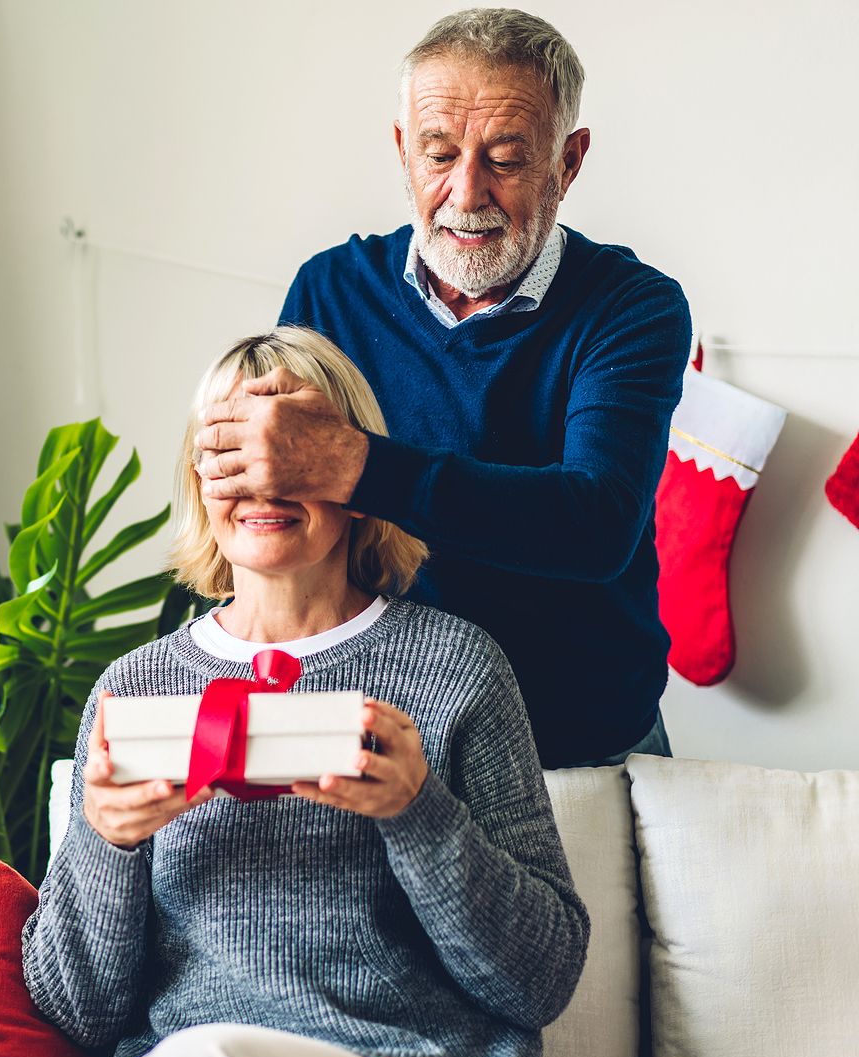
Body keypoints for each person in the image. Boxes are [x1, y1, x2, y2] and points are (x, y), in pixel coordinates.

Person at [23, 328, 589, 1057]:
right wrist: (107, 838)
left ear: (357, 477)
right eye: (233, 455)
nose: (266, 485)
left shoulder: (457, 669)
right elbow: (75, 1011)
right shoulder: (134, 690)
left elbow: (540, 982)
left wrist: (418, 812)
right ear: (199, 479)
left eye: (293, 451)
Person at [195, 9, 690, 768]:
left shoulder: (631, 307)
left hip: (580, 747)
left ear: (568, 162)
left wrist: (354, 465)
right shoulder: (330, 292)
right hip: (381, 739)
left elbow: (596, 522)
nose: (467, 192)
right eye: (438, 154)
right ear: (402, 148)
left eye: (506, 158)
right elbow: (284, 522)